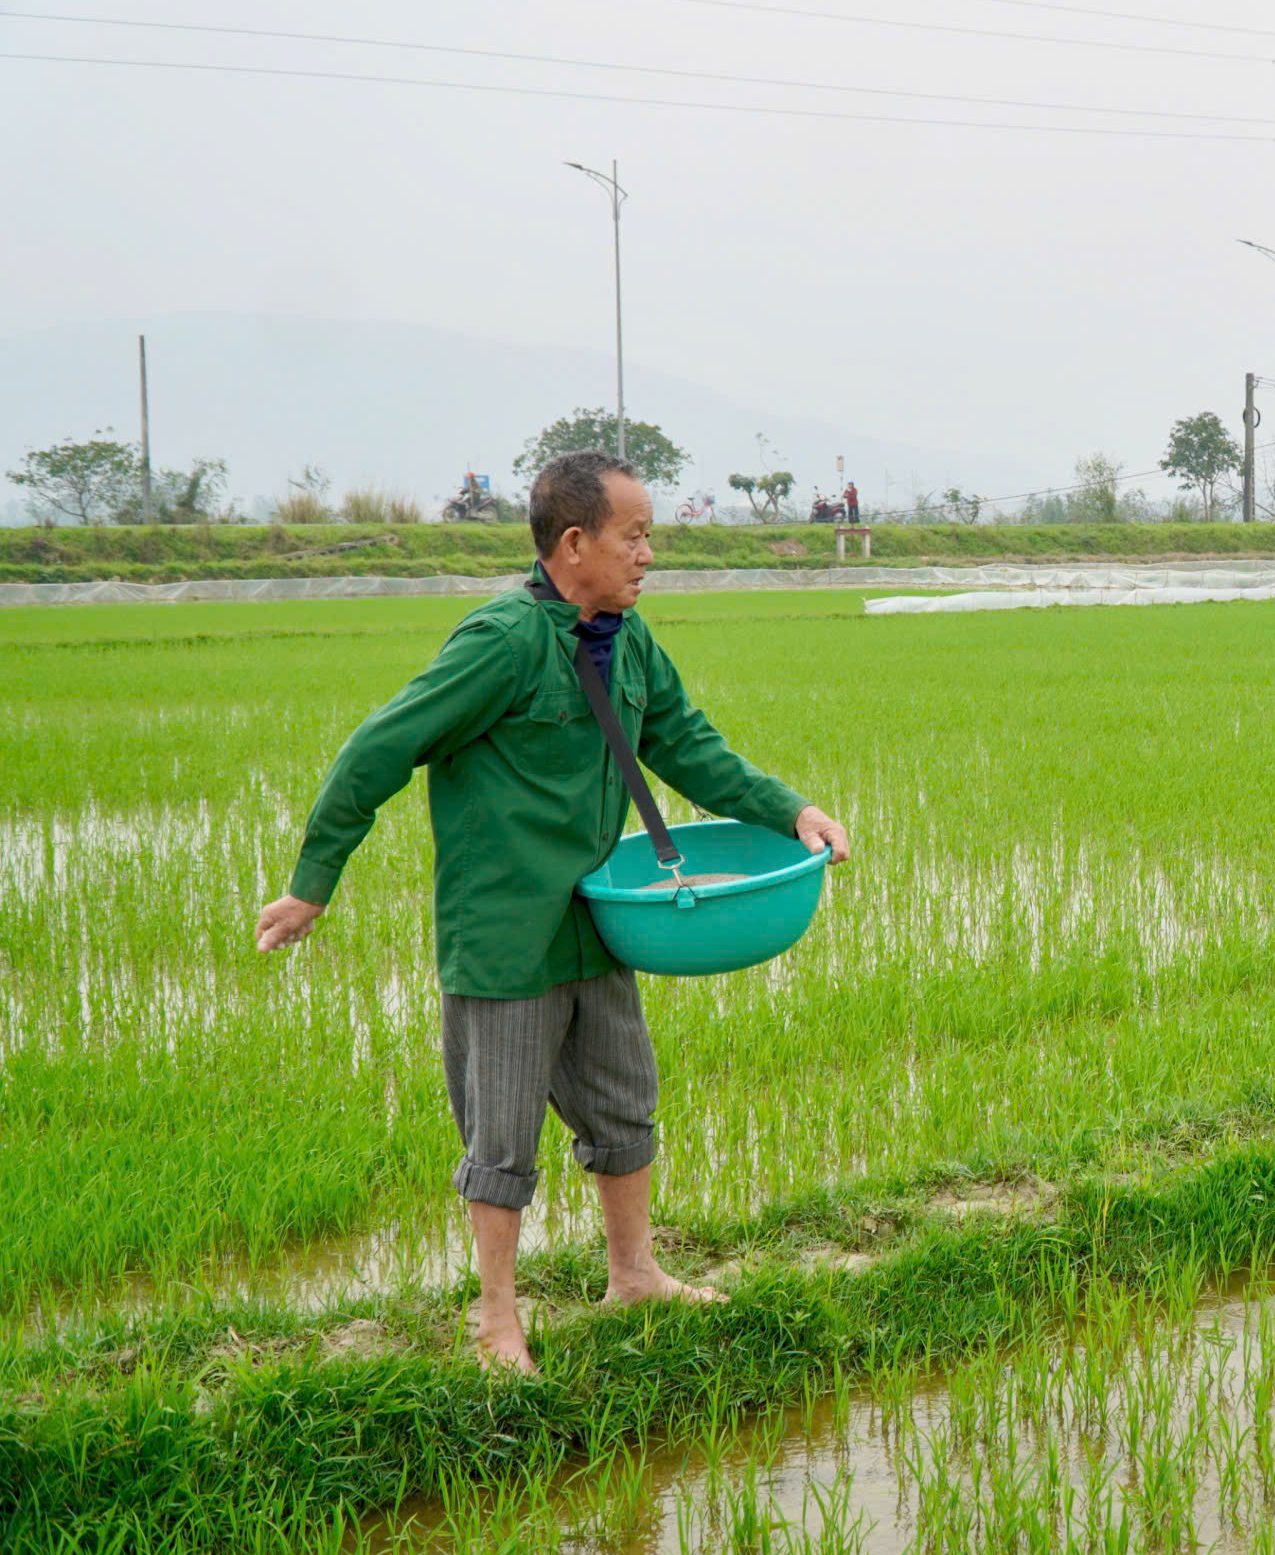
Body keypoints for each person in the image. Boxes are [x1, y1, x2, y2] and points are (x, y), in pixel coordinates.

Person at [253, 449, 850, 1376]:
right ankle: (497, 1320)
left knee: (622, 1102)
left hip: (599, 915)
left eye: (650, 536)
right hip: (505, 934)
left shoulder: (630, 638)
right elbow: (380, 748)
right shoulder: (500, 642)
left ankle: (635, 1274)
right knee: (501, 1135)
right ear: (575, 544)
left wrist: (791, 809)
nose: (649, 555)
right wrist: (312, 882)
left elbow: (686, 742)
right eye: (636, 536)